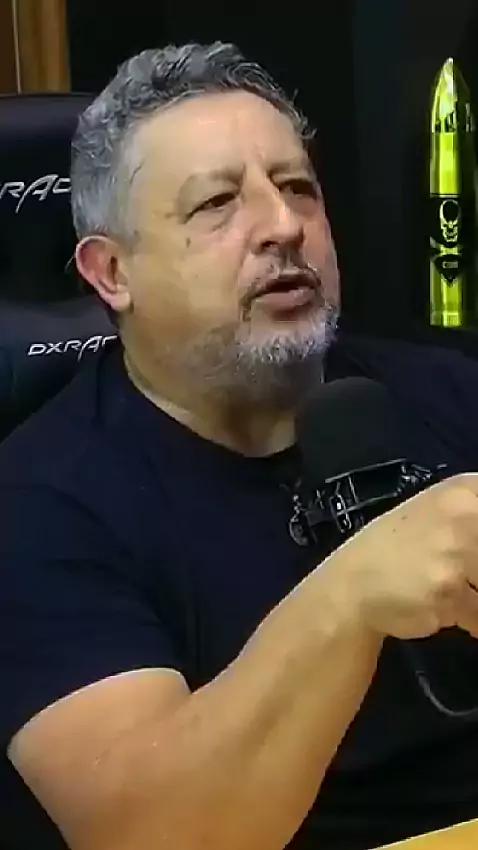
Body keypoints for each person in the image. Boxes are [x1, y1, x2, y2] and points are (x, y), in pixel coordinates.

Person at [2, 42, 478, 850]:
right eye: (217, 203)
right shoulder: (36, 507)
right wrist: (349, 597)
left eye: (297, 188)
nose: (284, 226)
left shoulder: (451, 393)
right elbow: (149, 835)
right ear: (112, 272)